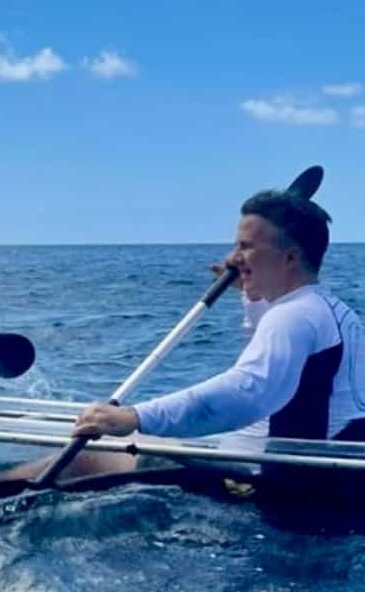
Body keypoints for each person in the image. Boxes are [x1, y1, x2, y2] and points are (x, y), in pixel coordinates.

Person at [46, 188, 365, 489]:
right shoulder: (330, 311)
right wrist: (253, 297)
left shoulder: (293, 317)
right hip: (312, 479)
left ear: (291, 259)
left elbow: (249, 389)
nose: (233, 257)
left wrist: (136, 417)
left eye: (245, 247)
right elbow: (277, 364)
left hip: (267, 487)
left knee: (96, 456)